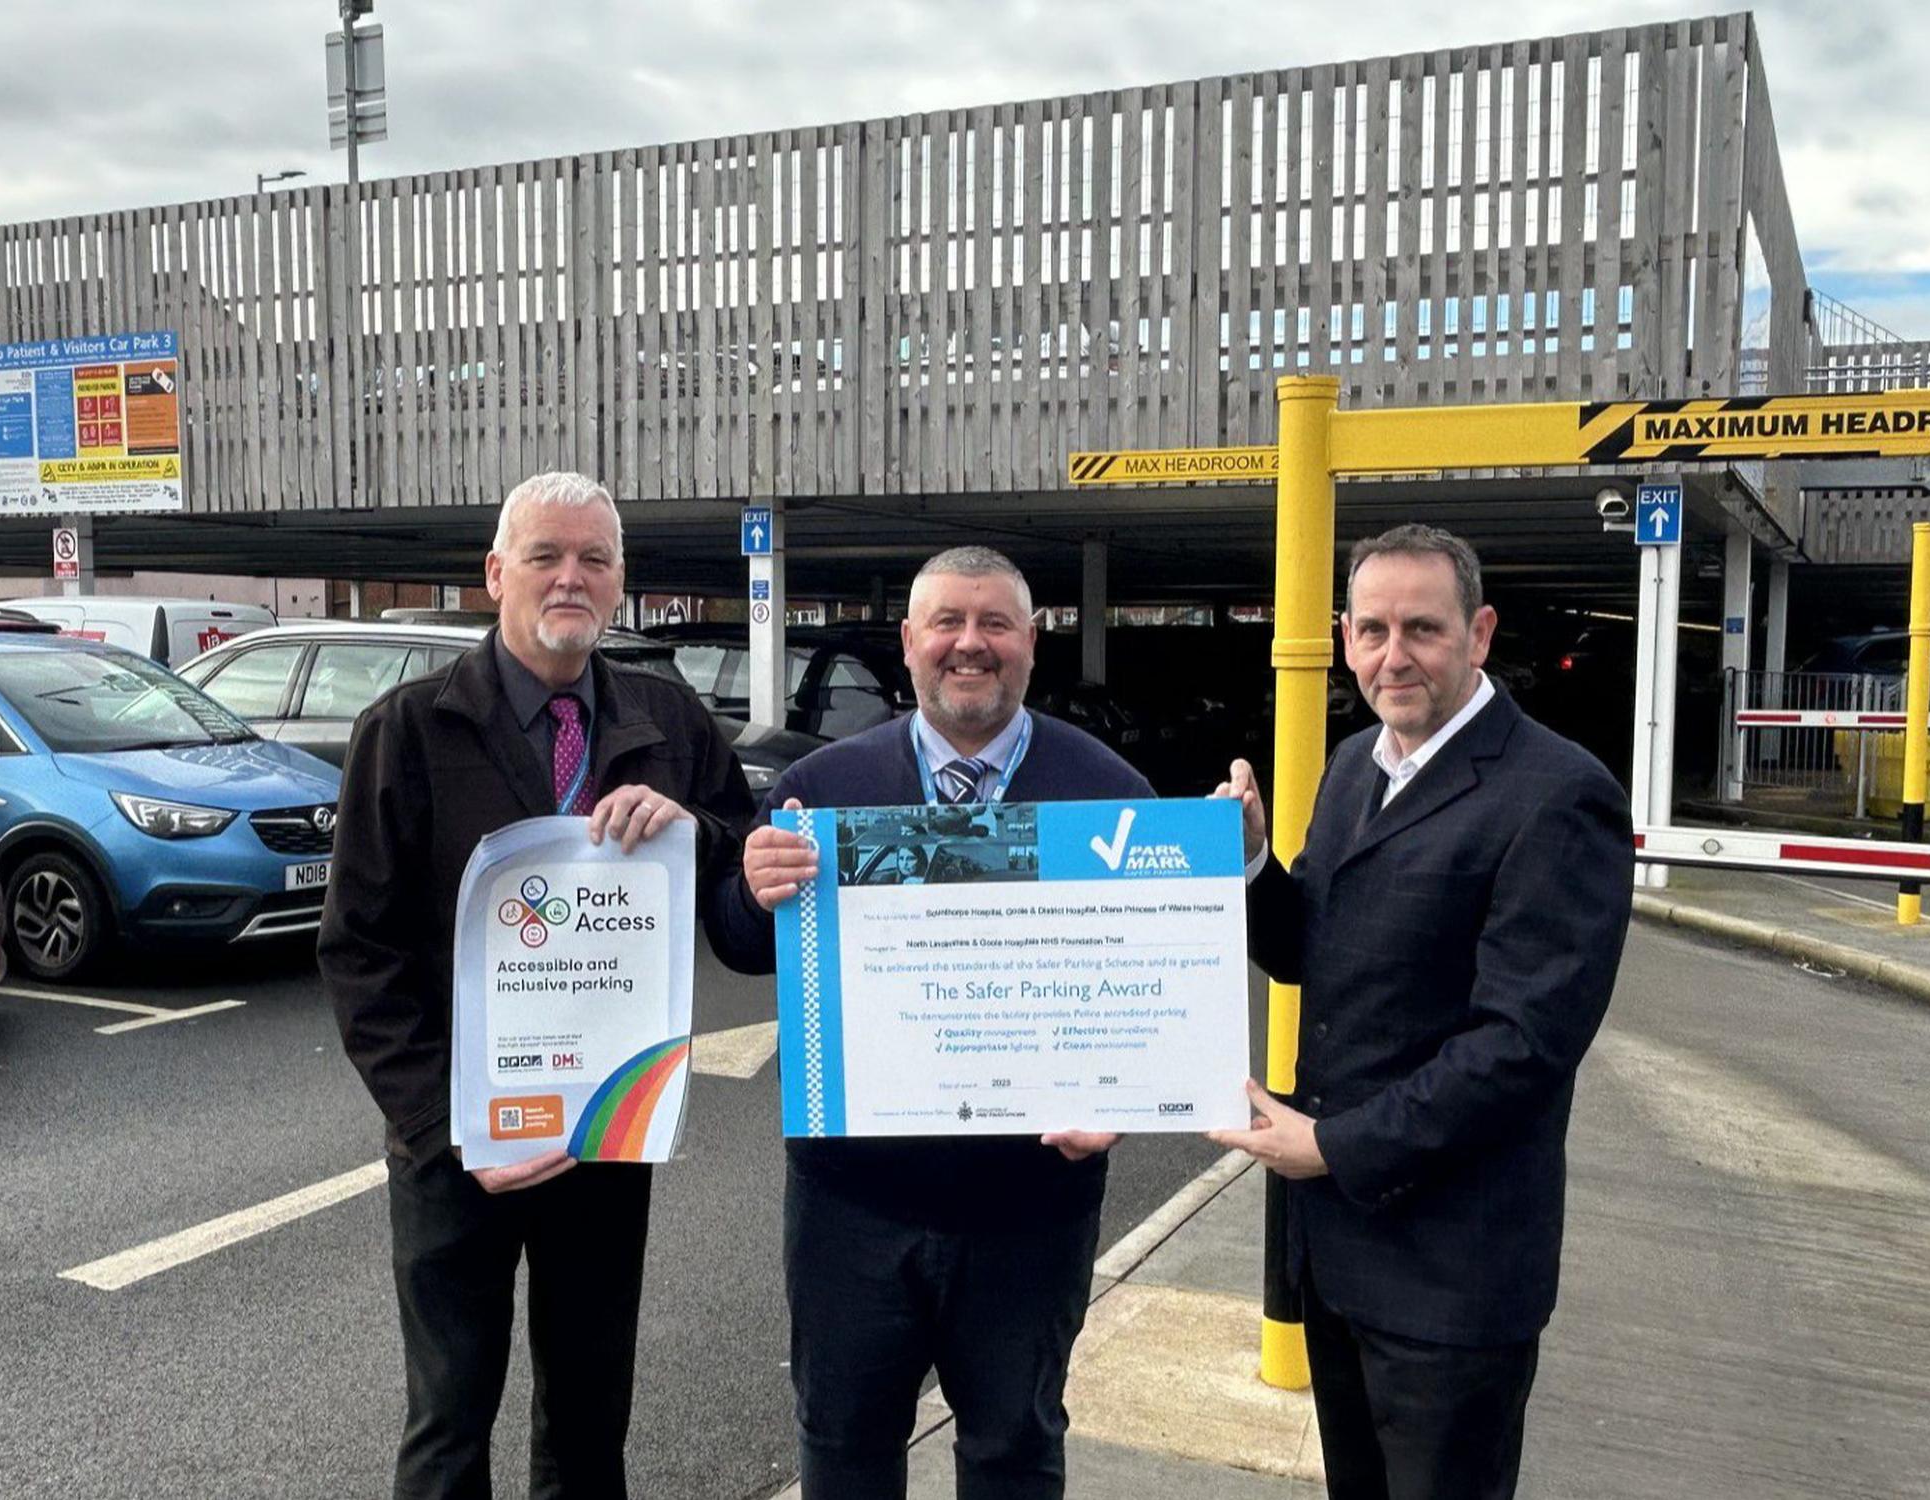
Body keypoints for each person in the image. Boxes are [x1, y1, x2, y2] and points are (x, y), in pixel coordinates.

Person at [318, 471, 756, 1500]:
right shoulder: (409, 728)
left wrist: (701, 834)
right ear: (493, 574)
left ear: (618, 584)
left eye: (593, 560)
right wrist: (441, 1124)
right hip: (456, 1146)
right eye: (545, 556)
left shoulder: (666, 718)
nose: (570, 578)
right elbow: (358, 951)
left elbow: (742, 870)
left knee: (591, 1413)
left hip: (607, 1129)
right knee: (448, 1419)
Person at [707, 545, 1151, 1500]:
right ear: (909, 643)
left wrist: (1128, 1091)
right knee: (843, 1449)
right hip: (850, 1210)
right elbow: (743, 944)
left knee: (1014, 1452)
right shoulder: (820, 789)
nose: (969, 644)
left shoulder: (1109, 790)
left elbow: (1150, 984)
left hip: (1032, 1210)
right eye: (947, 622)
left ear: (1033, 642)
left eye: (995, 624)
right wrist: (750, 890)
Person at [1210, 524, 1631, 1500]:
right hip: (1340, 1257)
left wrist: (1334, 1146)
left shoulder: (1558, 795)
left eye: (1420, 629)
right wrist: (1245, 862)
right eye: (1369, 630)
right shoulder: (1359, 763)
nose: (1390, 656)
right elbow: (1307, 946)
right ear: (1343, 636)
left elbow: (1520, 1046)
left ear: (1477, 634)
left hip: (1452, 1278)